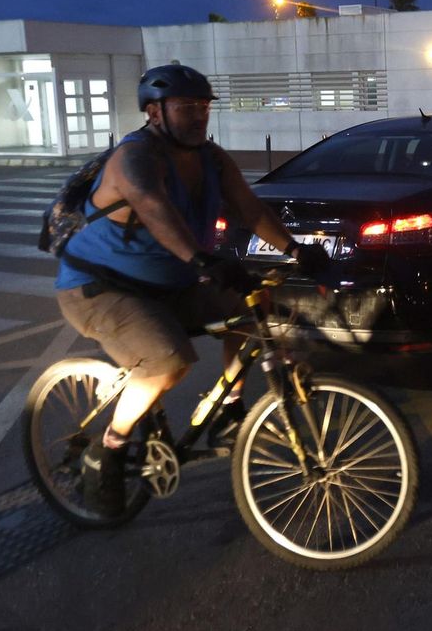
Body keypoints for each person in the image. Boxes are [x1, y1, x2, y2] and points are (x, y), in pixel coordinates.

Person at [55, 64, 332, 517]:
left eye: (203, 106)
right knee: (168, 361)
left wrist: (298, 251)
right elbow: (153, 207)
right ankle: (107, 448)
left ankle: (229, 409)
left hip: (170, 280)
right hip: (100, 286)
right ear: (155, 112)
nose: (198, 115)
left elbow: (249, 208)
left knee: (252, 308)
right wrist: (201, 259)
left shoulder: (211, 157)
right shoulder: (134, 158)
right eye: (186, 107)